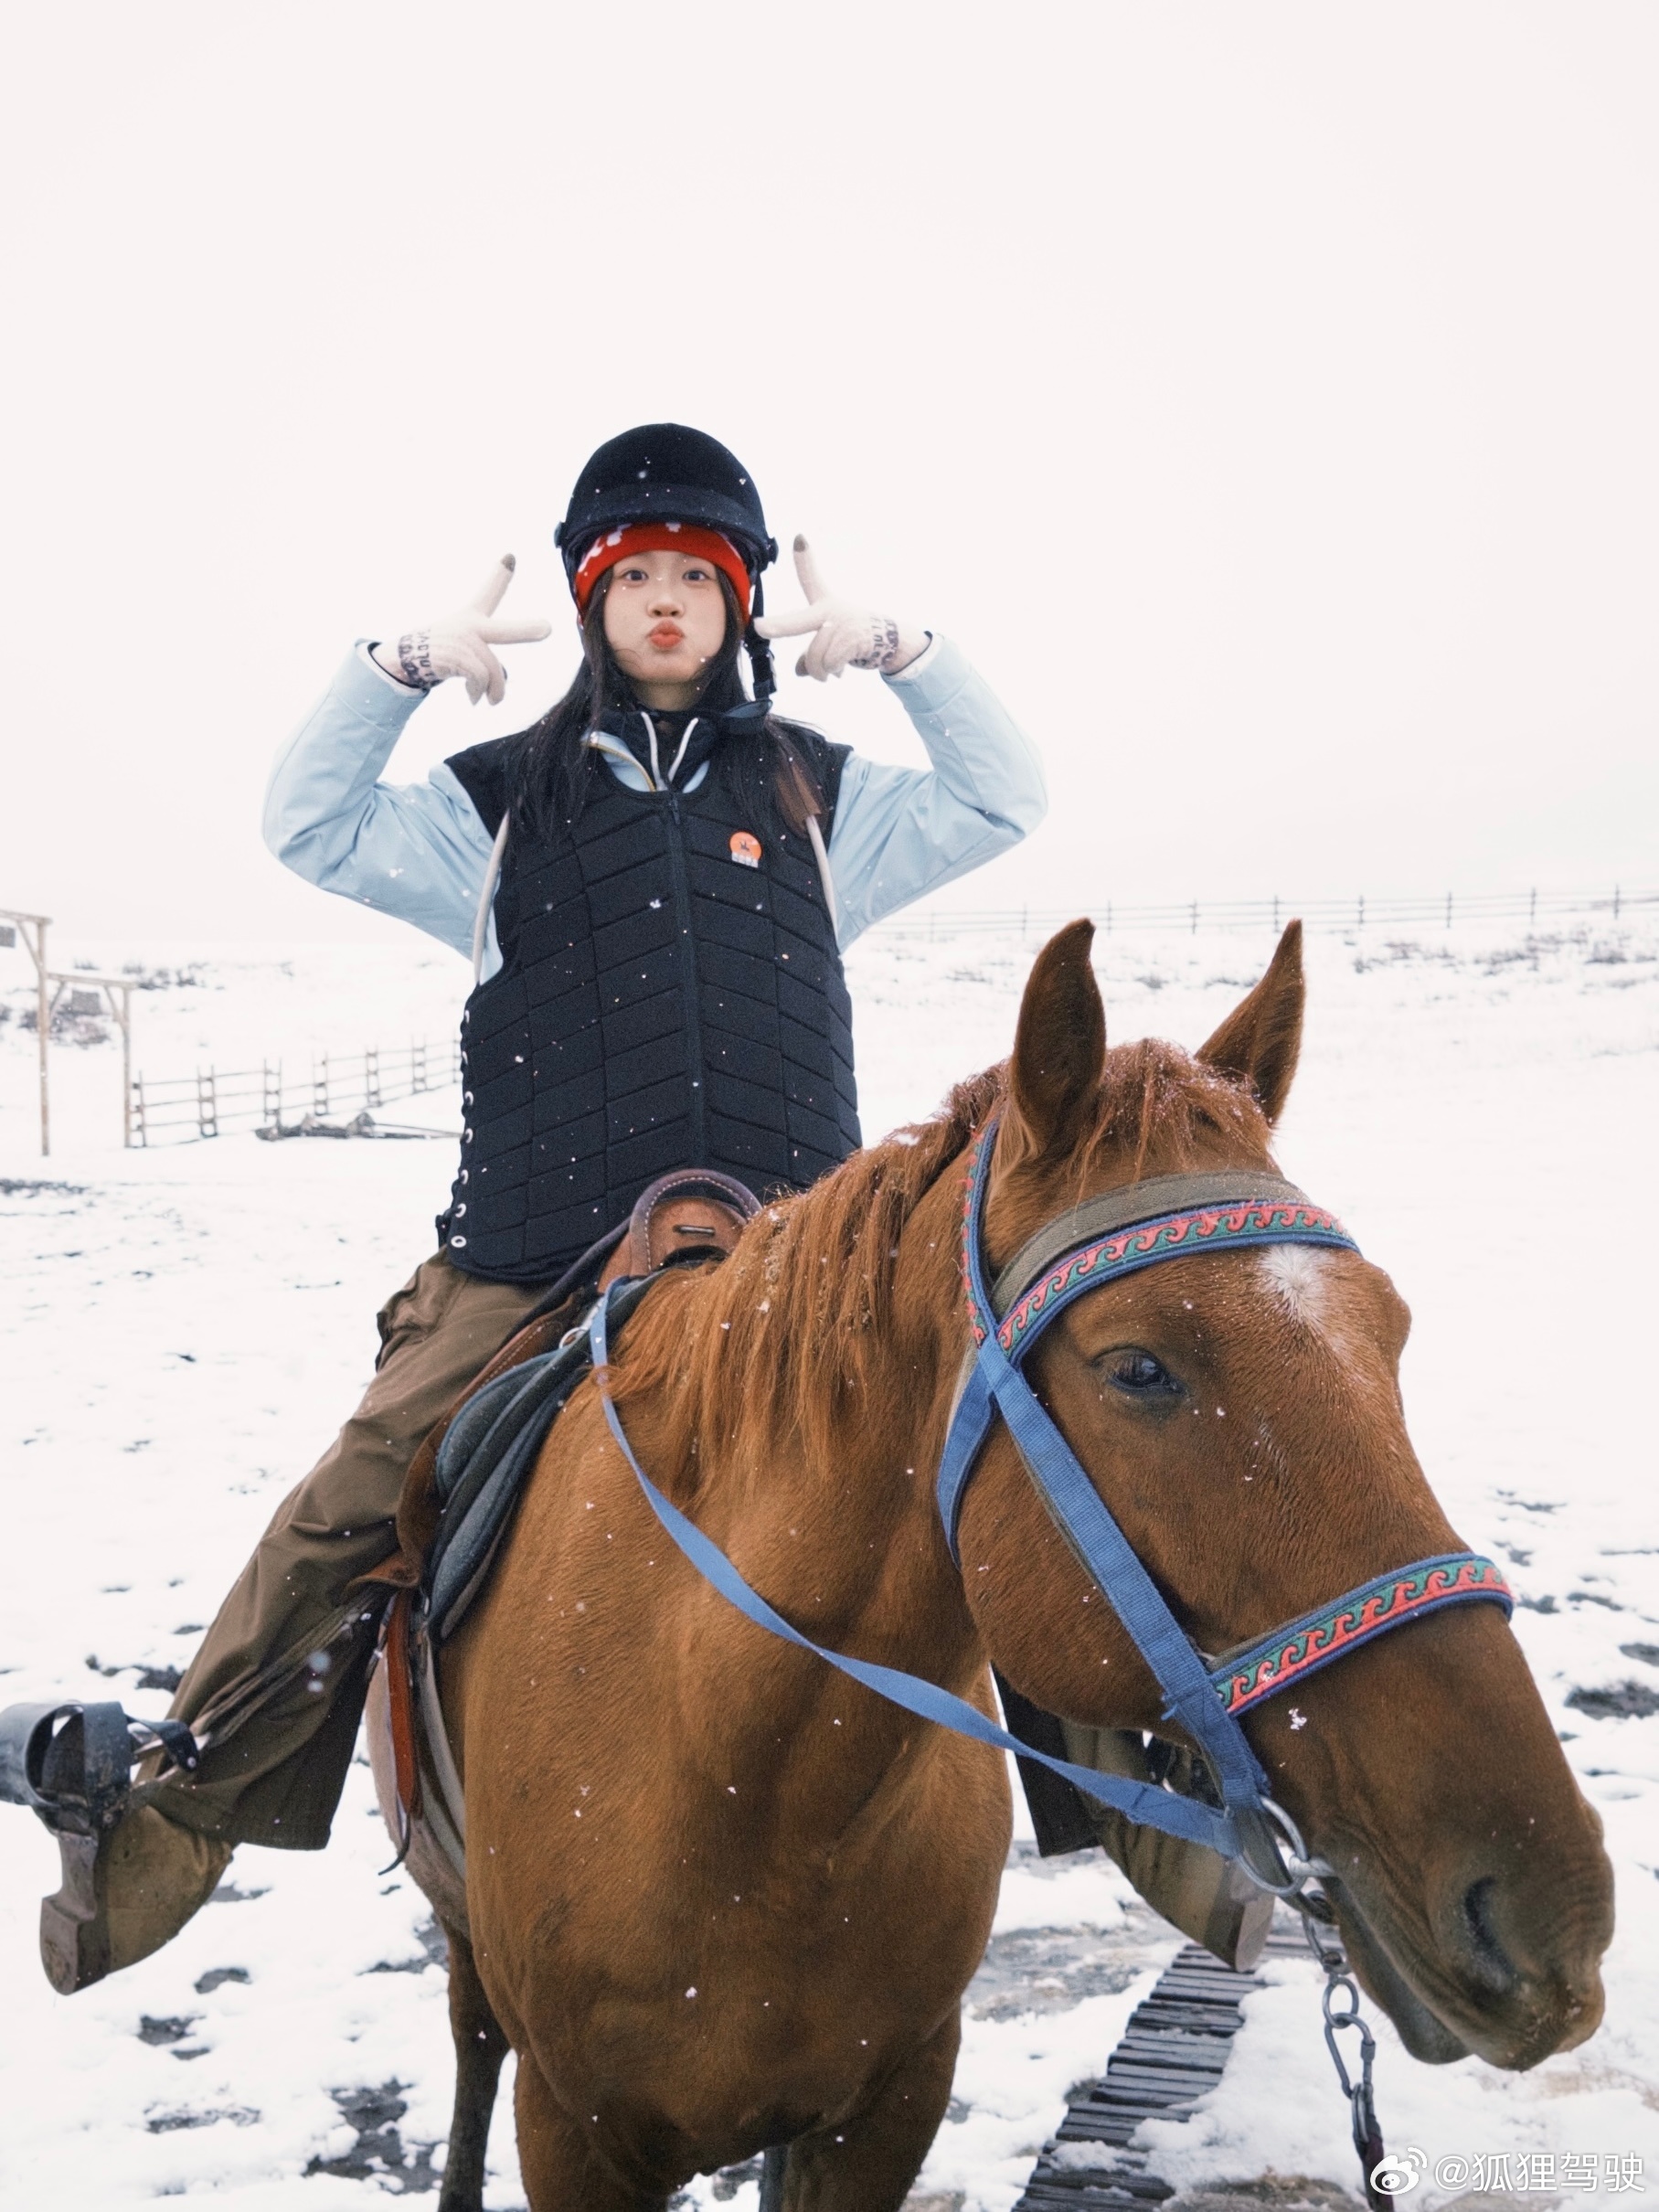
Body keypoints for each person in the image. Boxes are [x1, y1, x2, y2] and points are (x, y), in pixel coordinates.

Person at [0, 422, 1048, 1993]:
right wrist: (397, 670)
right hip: (538, 1252)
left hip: (797, 1254)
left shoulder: (819, 794)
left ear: (743, 603)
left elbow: (1004, 800)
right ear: (590, 604)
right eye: (636, 577)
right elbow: (309, 825)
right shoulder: (493, 807)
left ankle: (1170, 1811)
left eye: (701, 574)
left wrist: (911, 654)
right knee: (353, 1496)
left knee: (1018, 1436)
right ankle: (170, 1811)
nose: (668, 599)